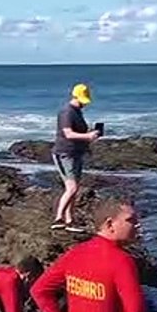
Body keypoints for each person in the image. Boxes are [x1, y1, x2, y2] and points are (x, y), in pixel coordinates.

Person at [51, 83, 101, 233]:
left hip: (76, 153)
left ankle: (69, 220)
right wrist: (87, 136)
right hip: (65, 153)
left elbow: (77, 133)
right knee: (72, 188)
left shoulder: (78, 112)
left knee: (72, 189)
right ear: (75, 96)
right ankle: (58, 218)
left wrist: (90, 137)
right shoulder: (67, 112)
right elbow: (68, 134)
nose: (84, 104)